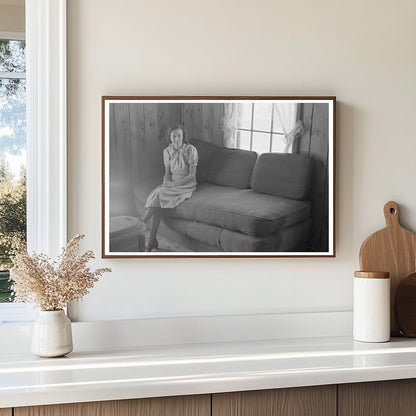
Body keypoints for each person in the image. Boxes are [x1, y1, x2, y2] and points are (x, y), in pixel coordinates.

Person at [141, 125, 198, 252]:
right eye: (174, 136)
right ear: (170, 138)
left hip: (186, 184)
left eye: (179, 136)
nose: (177, 139)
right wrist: (166, 181)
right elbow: (167, 172)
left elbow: (192, 175)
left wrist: (174, 185)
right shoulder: (167, 151)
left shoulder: (191, 150)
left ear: (183, 137)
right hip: (172, 182)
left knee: (159, 194)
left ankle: (142, 221)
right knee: (159, 199)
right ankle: (152, 240)